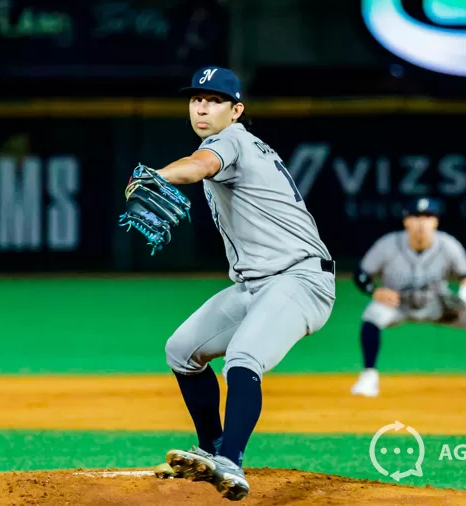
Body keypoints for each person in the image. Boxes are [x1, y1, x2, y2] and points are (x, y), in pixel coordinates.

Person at [148, 66, 336, 501]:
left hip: (300, 279)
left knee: (243, 357)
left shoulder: (231, 140)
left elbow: (199, 166)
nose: (201, 106)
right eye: (196, 98)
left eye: (213, 100)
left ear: (236, 110)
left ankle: (230, 460)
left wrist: (158, 174)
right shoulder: (237, 143)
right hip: (257, 286)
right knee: (181, 351)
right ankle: (212, 449)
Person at [349, 197, 466, 398]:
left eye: (428, 216)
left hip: (437, 303)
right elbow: (361, 274)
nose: (421, 222)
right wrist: (374, 291)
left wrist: (463, 298)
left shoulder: (447, 244)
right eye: (416, 216)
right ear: (406, 221)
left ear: (436, 222)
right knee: (372, 316)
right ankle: (368, 377)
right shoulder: (387, 245)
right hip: (398, 303)